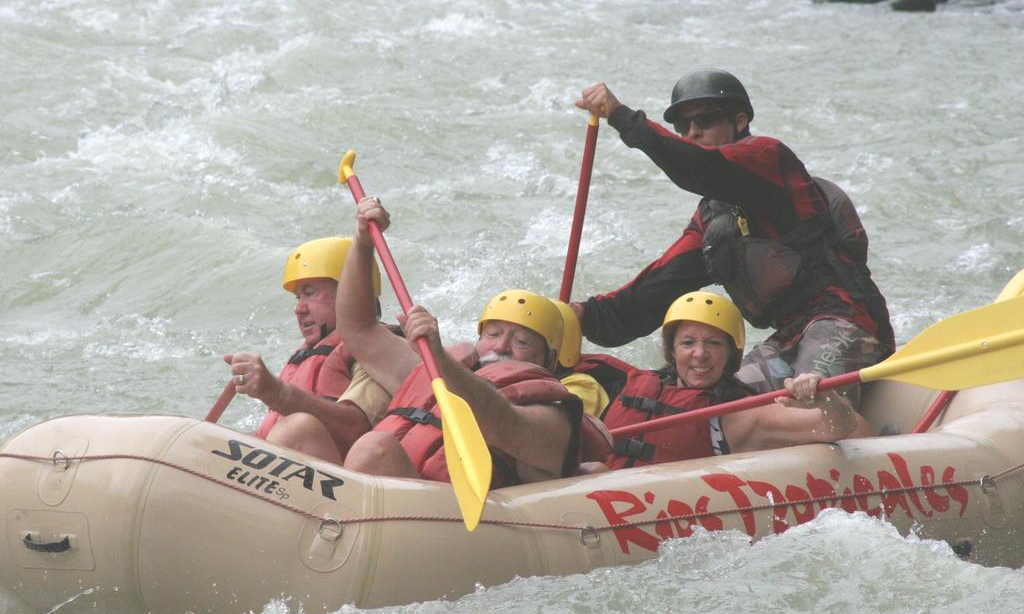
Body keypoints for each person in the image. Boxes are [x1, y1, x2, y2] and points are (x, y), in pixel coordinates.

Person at [573, 70, 894, 402]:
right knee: (723, 407)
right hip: (786, 336)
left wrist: (621, 116)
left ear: (740, 121)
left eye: (706, 120)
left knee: (809, 402)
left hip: (846, 321)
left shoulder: (769, 158)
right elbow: (651, 293)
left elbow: (699, 166)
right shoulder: (713, 220)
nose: (692, 132)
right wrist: (582, 315)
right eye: (683, 127)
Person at [335, 196, 609, 485]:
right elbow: (358, 329)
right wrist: (363, 244)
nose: (501, 346)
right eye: (492, 334)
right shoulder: (436, 373)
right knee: (300, 430)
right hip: (389, 502)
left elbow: (501, 421)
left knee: (374, 449)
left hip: (455, 523)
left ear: (550, 360)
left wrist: (439, 359)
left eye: (522, 341)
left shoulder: (553, 420)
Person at [590, 291, 873, 472]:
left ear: (731, 355)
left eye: (713, 343)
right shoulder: (627, 385)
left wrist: (826, 400)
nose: (700, 354)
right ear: (671, 351)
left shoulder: (740, 417)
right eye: (688, 343)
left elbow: (849, 427)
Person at [223, 237, 390, 463]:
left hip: (341, 486)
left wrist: (277, 393)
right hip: (286, 481)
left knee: (297, 428)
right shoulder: (307, 356)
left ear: (350, 293)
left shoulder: (380, 351)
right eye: (297, 297)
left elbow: (355, 430)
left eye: (309, 293)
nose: (299, 309)